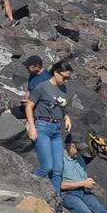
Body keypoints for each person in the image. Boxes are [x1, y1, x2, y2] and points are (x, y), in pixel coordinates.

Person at [24, 56, 73, 197]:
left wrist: (66, 116)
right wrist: (32, 127)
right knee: (47, 166)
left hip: (56, 130)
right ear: (56, 73)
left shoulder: (63, 88)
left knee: (58, 169)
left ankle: (55, 200)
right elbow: (29, 106)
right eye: (64, 77)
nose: (66, 80)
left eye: (68, 78)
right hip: (42, 126)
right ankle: (28, 188)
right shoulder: (43, 86)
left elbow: (61, 106)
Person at [60, 136, 107, 213]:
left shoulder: (79, 158)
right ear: (69, 146)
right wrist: (82, 183)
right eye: (77, 149)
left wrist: (88, 181)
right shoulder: (60, 160)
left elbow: (83, 177)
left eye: (81, 149)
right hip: (67, 194)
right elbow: (60, 185)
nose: (79, 152)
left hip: (83, 192)